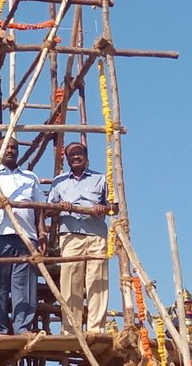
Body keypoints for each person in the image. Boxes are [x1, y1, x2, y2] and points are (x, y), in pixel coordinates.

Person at [48, 142, 118, 334]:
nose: (76, 156)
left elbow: (115, 207)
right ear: (67, 159)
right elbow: (47, 210)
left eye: (79, 153)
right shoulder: (59, 182)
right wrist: (59, 207)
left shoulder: (100, 179)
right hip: (70, 236)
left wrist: (103, 208)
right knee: (70, 283)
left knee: (98, 282)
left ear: (86, 157)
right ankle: (71, 330)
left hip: (96, 235)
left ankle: (96, 329)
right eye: (72, 154)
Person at [0, 136, 47, 335]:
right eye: (6, 148)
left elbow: (40, 208)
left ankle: (23, 327)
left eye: (14, 148)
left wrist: (42, 232)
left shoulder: (29, 177)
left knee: (24, 284)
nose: (10, 151)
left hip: (26, 236)